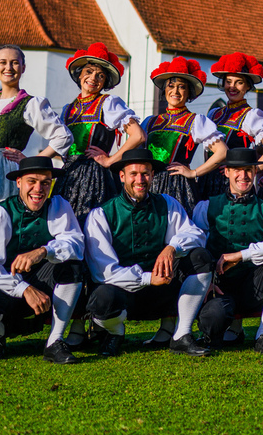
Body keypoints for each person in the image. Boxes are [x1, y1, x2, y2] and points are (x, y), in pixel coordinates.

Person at [82, 149, 212, 358]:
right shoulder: (101, 214)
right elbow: (103, 272)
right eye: (133, 174)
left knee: (200, 257)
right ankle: (115, 332)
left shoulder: (167, 203)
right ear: (122, 176)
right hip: (124, 292)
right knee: (102, 299)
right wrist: (148, 278)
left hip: (162, 291)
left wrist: (172, 248)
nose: (140, 180)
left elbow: (196, 235)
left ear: (152, 176)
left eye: (145, 174)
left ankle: (181, 334)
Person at [0, 157, 84, 364]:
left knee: (72, 265)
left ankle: (54, 341)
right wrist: (24, 289)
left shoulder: (58, 206)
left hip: (42, 288)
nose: (38, 189)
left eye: (45, 183)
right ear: (18, 182)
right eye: (32, 181)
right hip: (3, 291)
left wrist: (44, 251)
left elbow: (76, 244)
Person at [194, 147, 263, 355]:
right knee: (213, 321)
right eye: (237, 170)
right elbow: (196, 245)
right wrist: (205, 280)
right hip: (220, 287)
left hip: (254, 286)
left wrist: (242, 255)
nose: (243, 176)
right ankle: (227, 330)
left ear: (255, 172)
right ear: (226, 172)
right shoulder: (207, 207)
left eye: (248, 170)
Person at [0, 45, 72, 221]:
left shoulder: (31, 104)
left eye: (14, 63)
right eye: (3, 62)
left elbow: (63, 136)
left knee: (5, 220)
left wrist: (32, 162)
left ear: (23, 67)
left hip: (9, 174)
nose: (8, 67)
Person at [56, 42, 144, 218]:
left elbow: (139, 136)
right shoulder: (68, 109)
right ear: (80, 74)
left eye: (100, 75)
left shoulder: (108, 103)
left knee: (91, 222)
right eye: (89, 72)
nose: (93, 78)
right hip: (68, 176)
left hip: (94, 177)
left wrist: (110, 160)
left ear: (105, 82)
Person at [140, 57, 228, 214]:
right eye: (171, 86)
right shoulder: (150, 121)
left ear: (188, 93)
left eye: (181, 87)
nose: (175, 91)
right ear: (164, 90)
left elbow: (222, 151)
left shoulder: (196, 121)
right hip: (150, 184)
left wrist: (194, 172)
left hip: (178, 187)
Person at [198, 53, 263, 200]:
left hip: (233, 184)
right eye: (228, 81)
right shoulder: (214, 113)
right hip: (207, 180)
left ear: (248, 86)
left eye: (239, 82)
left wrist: (252, 170)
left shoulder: (252, 116)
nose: (232, 87)